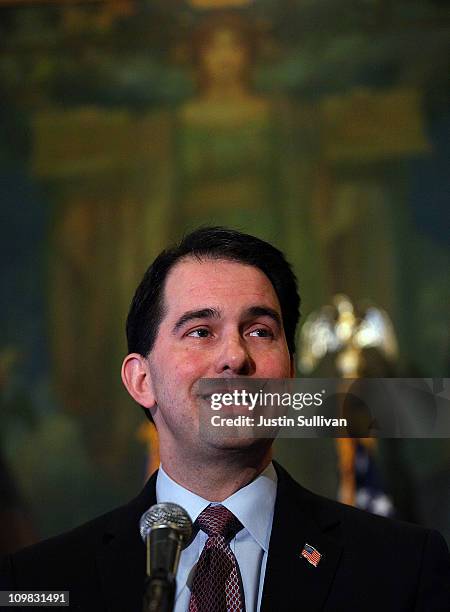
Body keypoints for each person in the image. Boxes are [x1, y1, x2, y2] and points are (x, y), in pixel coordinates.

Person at [1, 226, 449, 611]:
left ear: (290, 375)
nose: (235, 357)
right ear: (141, 379)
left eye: (259, 331)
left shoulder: (402, 567)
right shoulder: (38, 582)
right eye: (200, 332)